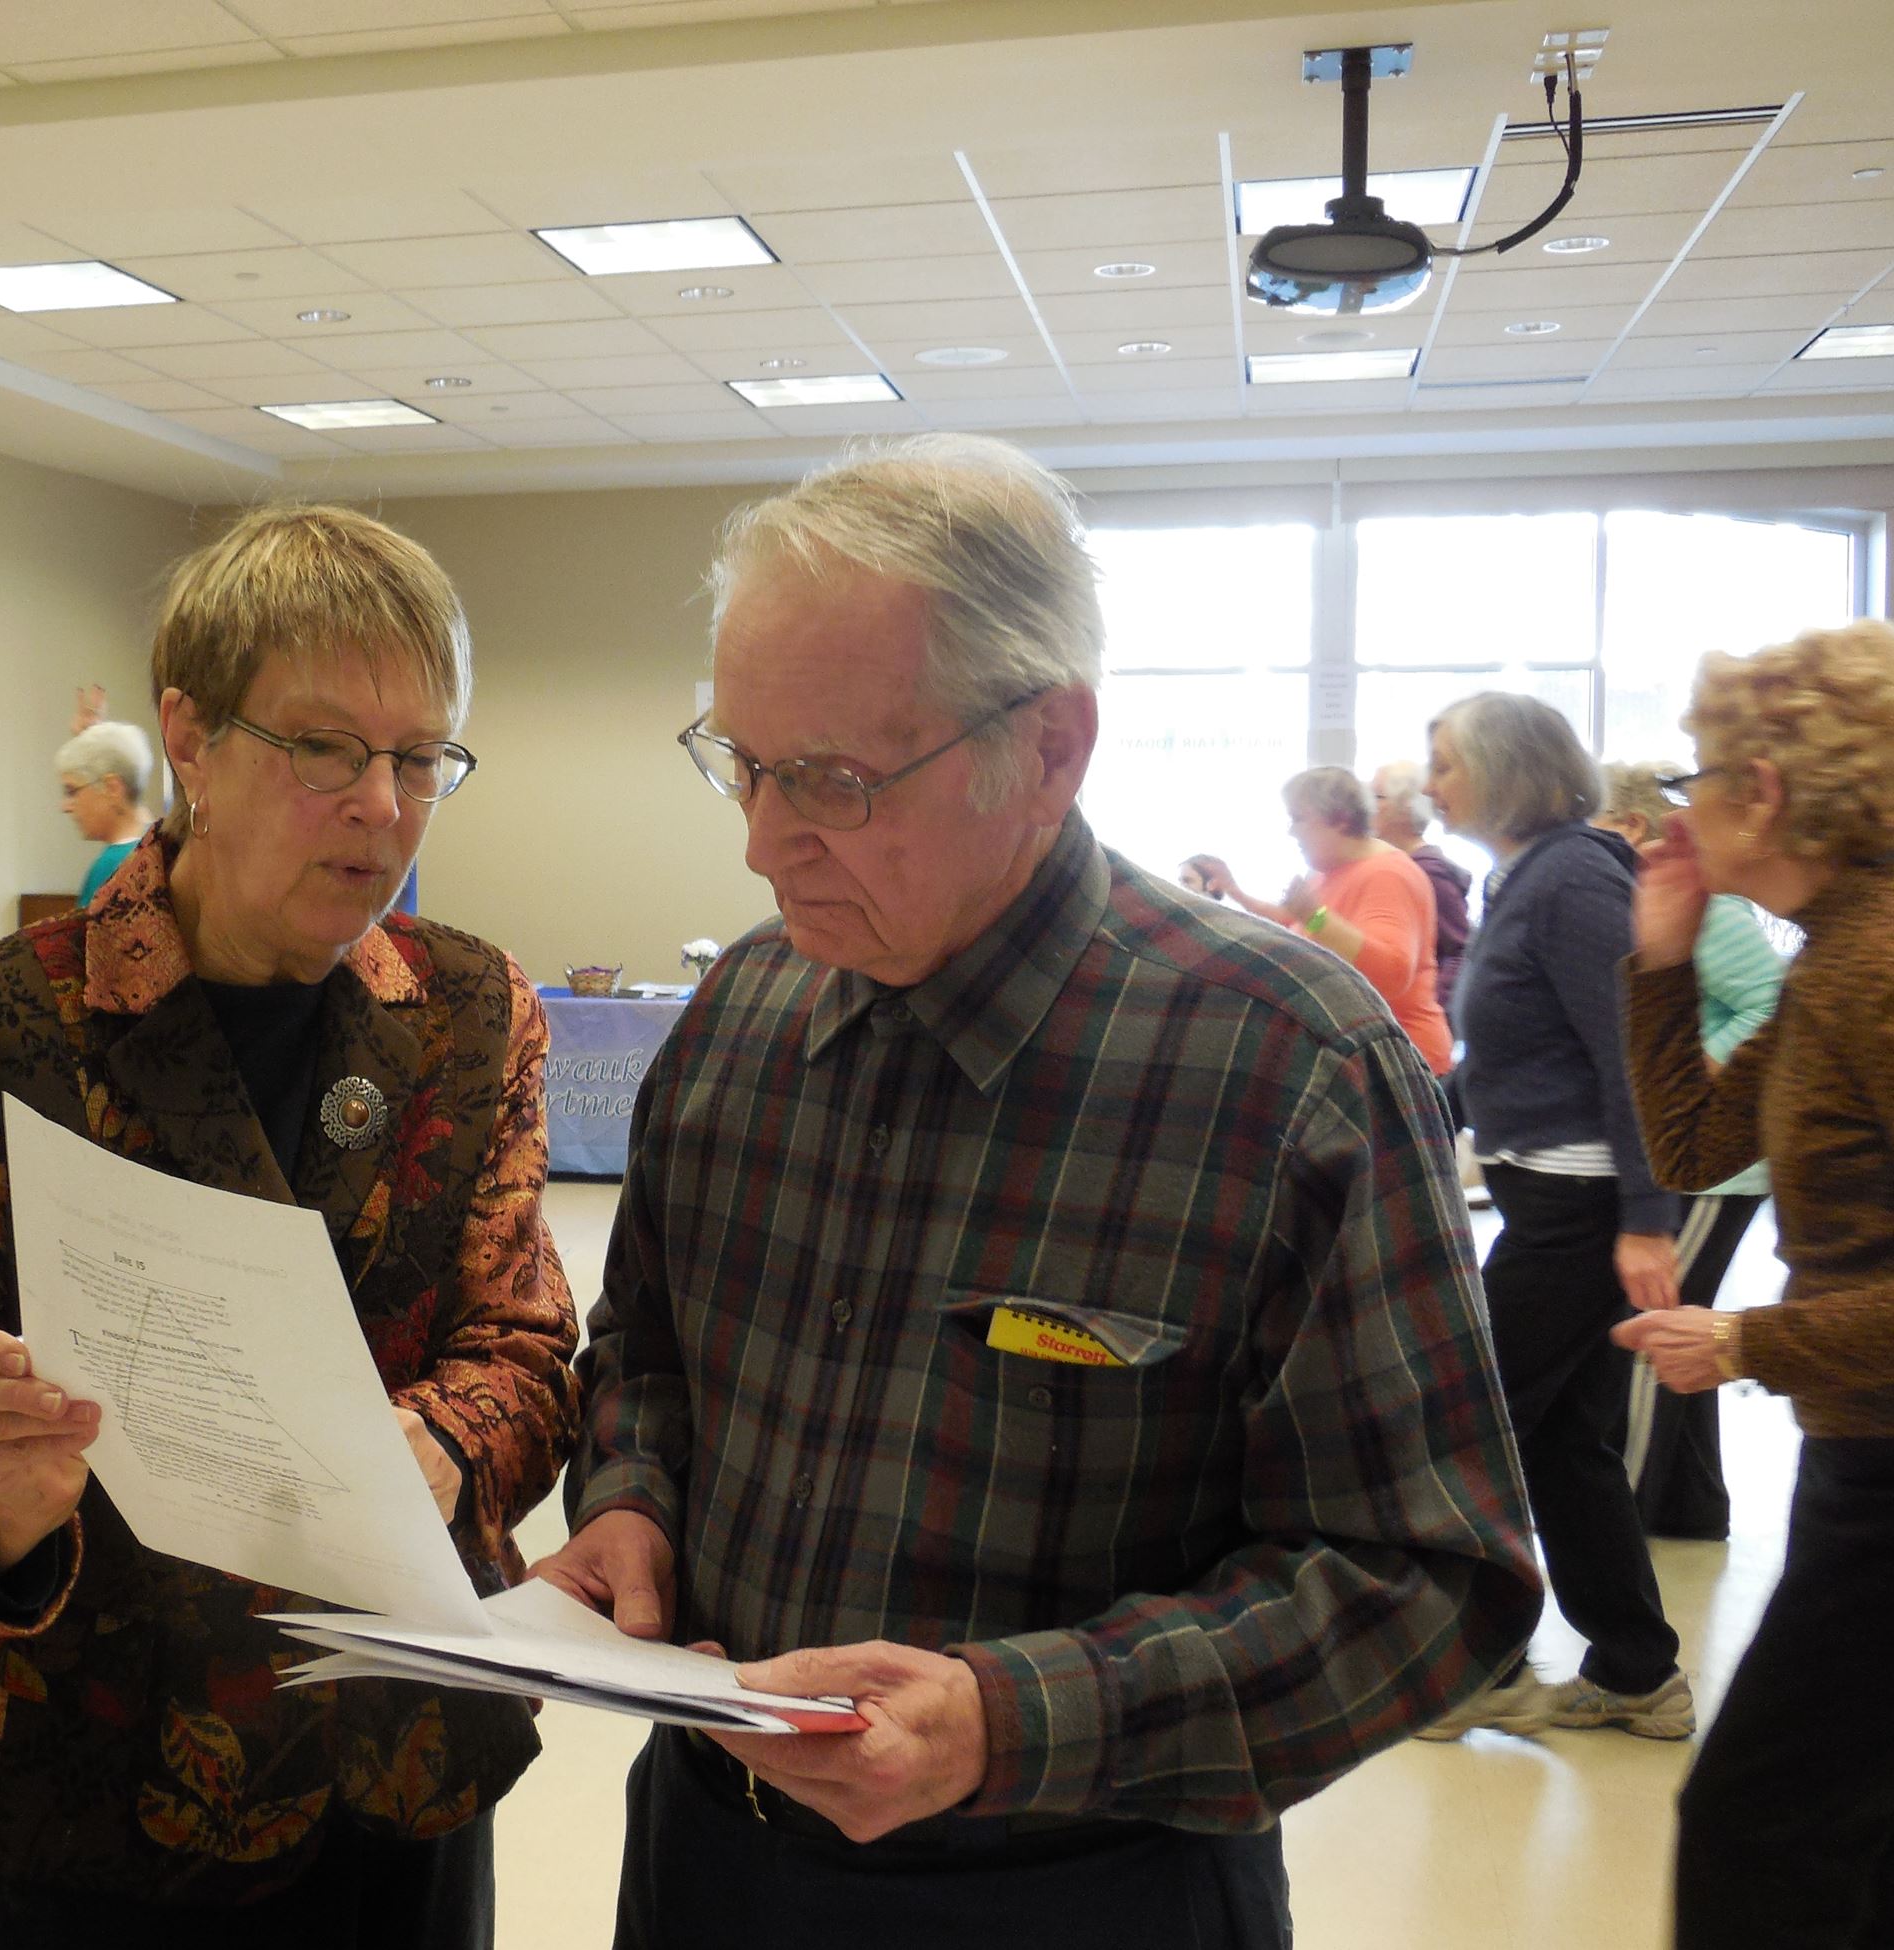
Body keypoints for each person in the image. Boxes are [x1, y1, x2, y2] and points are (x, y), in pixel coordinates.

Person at [534, 435, 1540, 1950]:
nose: (760, 840)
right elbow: (647, 1352)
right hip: (706, 1860)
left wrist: (1011, 1719)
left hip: (1086, 1885)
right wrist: (631, 1499)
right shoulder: (740, 1016)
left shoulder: (1285, 1068)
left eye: (837, 781)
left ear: (1051, 747)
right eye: (742, 762)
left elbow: (1430, 1578)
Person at [0, 504, 582, 1949]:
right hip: (94, 1799)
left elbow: (529, 1356)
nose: (383, 806)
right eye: (328, 748)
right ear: (193, 740)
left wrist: (434, 1444)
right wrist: (0, 1514)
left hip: (394, 1775)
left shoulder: (471, 1012)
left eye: (421, 757)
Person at [1610, 622, 1894, 1949]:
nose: (1682, 807)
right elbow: (1697, 1146)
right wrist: (1664, 956)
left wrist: (1749, 1336)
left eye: (1696, 775)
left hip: (1885, 1469)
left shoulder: (1876, 960)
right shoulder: (1832, 950)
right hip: (1863, 1455)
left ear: (1763, 791)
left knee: (1759, 1827)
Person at [1415, 692, 1690, 1742]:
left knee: (1466, 1423)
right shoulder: (1523, 875)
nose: (1431, 783)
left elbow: (1631, 1052)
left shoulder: (1572, 876)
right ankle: (1634, 1672)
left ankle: (1484, 1670)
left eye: (1444, 763)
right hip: (1553, 1198)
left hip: (1579, 1211)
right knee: (1563, 1443)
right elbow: (1503, 1051)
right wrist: (1417, 1113)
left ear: (1502, 768)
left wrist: (1643, 1215)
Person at [1594, 759, 1784, 1540]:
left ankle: (1625, 1509)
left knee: (1659, 1326)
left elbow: (1772, 1003)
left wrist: (1709, 1064)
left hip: (1727, 1173)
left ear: (1634, 827)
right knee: (1686, 1330)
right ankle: (1691, 1507)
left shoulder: (1720, 914)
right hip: (1717, 1162)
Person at [1194, 766, 1453, 1076]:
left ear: (1339, 818)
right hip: (1364, 1058)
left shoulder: (1388, 874)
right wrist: (1236, 893)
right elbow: (1293, 924)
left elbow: (1392, 974)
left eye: (1298, 819)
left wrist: (1315, 917)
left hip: (1403, 1066)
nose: (1292, 831)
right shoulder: (1327, 870)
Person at [1372, 757, 1473, 1010]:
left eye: (1377, 797)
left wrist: (1432, 1003)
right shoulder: (1392, 865)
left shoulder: (1429, 873)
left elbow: (1459, 951)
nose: (1367, 806)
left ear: (1405, 808)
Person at [56, 710, 156, 906]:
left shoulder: (111, 868)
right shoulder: (158, 846)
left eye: (72, 791)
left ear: (112, 788)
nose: (65, 806)